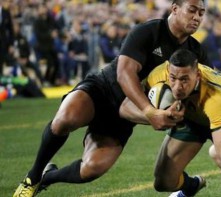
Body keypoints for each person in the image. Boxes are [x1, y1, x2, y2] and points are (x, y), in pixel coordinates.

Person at [13, 0, 209, 196]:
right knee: (66, 118)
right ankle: (33, 177)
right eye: (192, 10)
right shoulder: (148, 31)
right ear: (175, 9)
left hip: (124, 117)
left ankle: (48, 178)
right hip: (103, 89)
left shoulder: (195, 51)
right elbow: (124, 73)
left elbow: (214, 82)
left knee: (92, 169)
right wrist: (149, 111)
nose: (197, 17)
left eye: (201, 13)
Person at [120, 49, 221, 197]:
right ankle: (192, 185)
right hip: (191, 119)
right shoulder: (159, 74)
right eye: (173, 78)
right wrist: (154, 115)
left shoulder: (214, 97)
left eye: (184, 79)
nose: (177, 87)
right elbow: (125, 107)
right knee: (163, 182)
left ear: (197, 76)